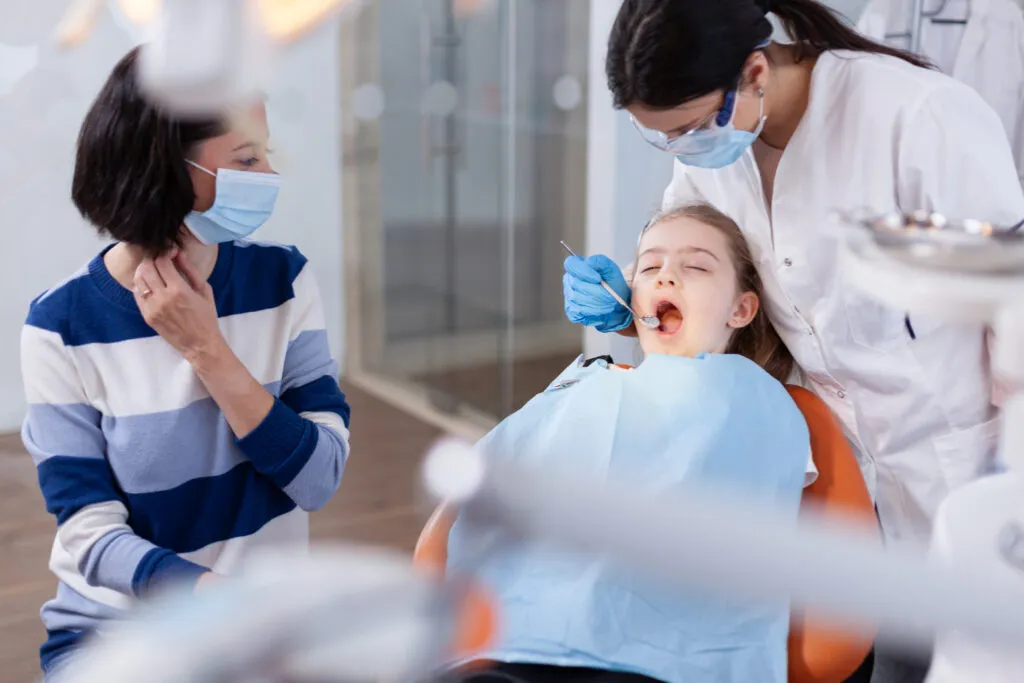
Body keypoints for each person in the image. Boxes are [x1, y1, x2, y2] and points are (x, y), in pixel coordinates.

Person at [562, 2, 1024, 679]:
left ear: (754, 72)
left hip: (968, 472)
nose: (682, 149)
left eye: (688, 128)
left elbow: (1011, 305)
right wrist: (628, 304)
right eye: (660, 139)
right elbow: (698, 275)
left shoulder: (916, 118)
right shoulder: (714, 154)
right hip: (846, 488)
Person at [20, 47, 351, 681]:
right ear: (166, 169)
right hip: (121, 638)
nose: (268, 174)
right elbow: (89, 535)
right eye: (248, 159)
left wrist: (208, 350)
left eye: (266, 155)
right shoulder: (60, 325)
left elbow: (319, 479)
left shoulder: (284, 280)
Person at [444, 203, 817, 683]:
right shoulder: (586, 384)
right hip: (524, 637)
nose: (665, 278)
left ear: (741, 309)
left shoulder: (757, 396)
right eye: (649, 267)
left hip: (669, 657)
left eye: (697, 266)